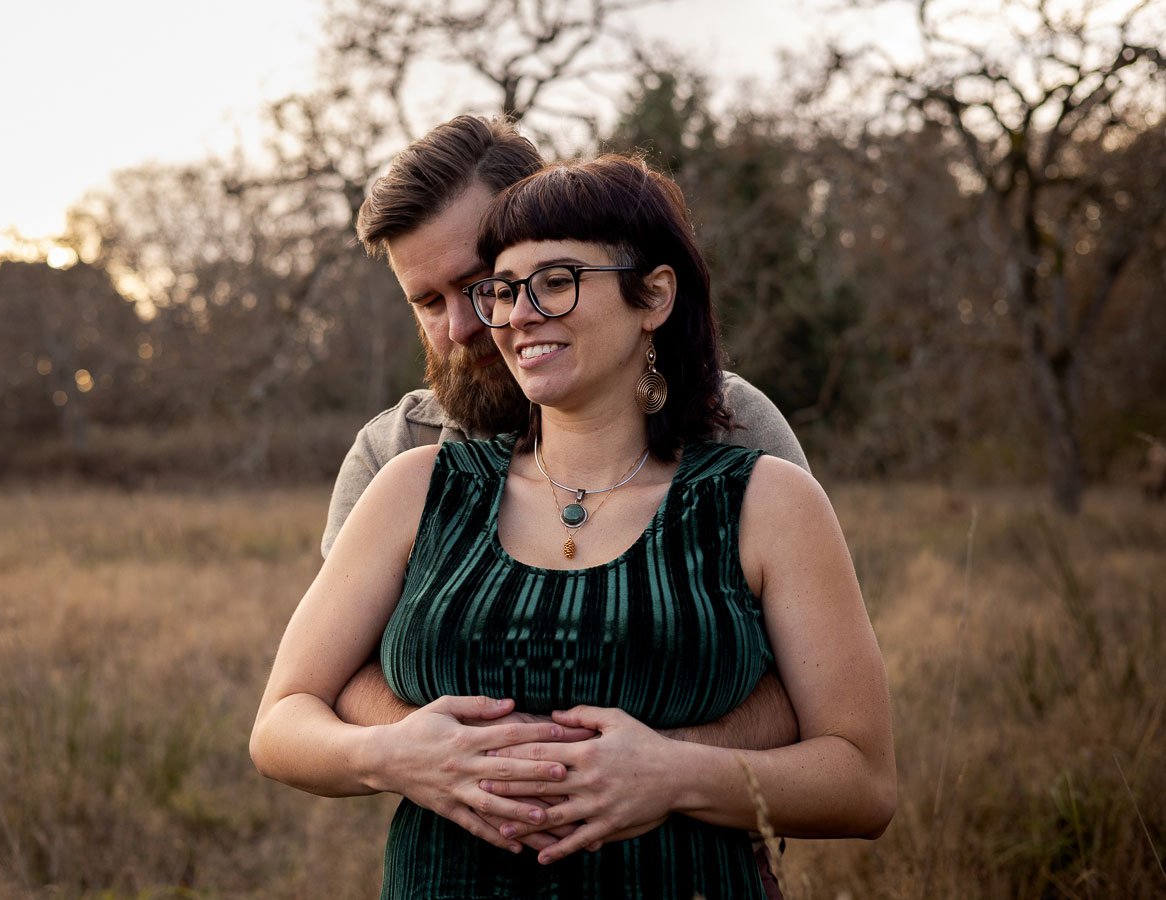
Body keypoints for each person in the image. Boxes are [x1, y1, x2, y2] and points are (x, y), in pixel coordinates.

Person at [251, 154, 896, 898]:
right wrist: (424, 755)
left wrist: (666, 768)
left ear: (651, 295)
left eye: (485, 283)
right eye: (431, 301)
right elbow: (317, 690)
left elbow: (824, 703)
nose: (475, 323)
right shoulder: (402, 463)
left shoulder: (741, 446)